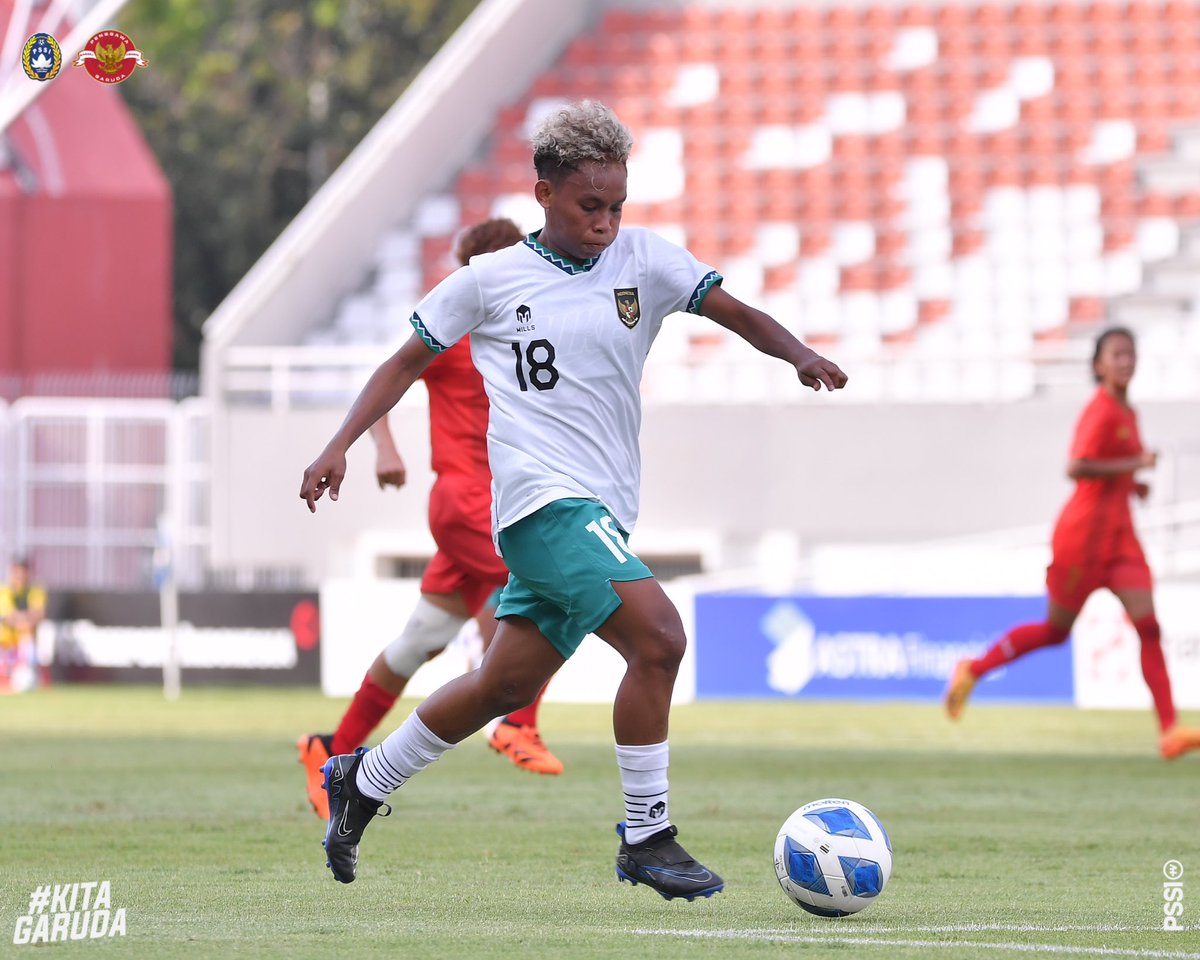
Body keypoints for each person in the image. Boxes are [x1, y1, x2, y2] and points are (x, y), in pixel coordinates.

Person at [298, 100, 848, 898]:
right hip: (538, 506)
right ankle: (647, 835)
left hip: (604, 508)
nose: (606, 221)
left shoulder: (645, 260)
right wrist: (339, 443)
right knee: (659, 638)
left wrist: (797, 353)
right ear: (545, 193)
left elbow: (737, 314)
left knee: (503, 686)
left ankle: (363, 779)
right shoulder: (487, 281)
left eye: (617, 205)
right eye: (591, 205)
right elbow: (399, 365)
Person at [297, 218, 564, 820]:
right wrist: (382, 447)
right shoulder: (456, 328)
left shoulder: (527, 329)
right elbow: (392, 375)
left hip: (504, 499)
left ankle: (330, 750)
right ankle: (515, 724)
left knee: (419, 641)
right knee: (552, 588)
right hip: (467, 500)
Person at [944, 327, 1200, 760]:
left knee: (1149, 628)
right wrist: (1134, 464)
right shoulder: (1099, 411)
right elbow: (1077, 466)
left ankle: (1169, 731)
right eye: (1116, 354)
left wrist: (1131, 484)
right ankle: (974, 669)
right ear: (1098, 365)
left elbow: (1104, 469)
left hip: (1120, 540)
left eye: (1130, 353)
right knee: (1055, 632)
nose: (1125, 360)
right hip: (1082, 540)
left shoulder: (1127, 411)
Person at [0, 556, 46, 694]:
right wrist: (26, 619)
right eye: (17, 572)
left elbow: (39, 614)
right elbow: (9, 616)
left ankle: (28, 673)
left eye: (23, 572)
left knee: (28, 639)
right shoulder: (4, 590)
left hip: (24, 646)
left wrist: (20, 620)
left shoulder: (36, 590)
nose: (20, 576)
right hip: (5, 644)